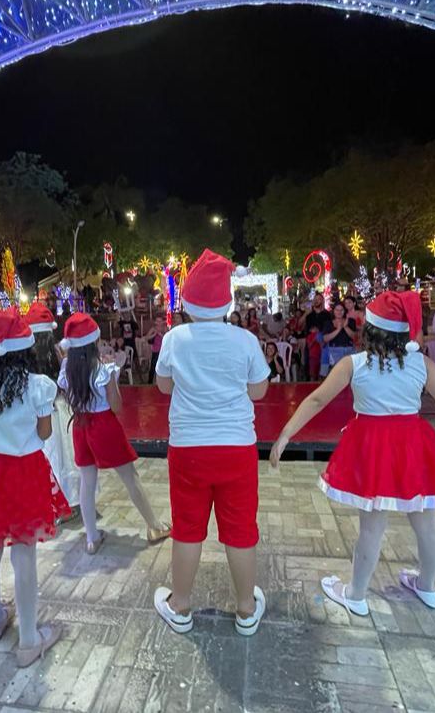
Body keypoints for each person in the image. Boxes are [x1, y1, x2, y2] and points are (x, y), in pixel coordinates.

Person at [270, 291, 435, 616]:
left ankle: (356, 594)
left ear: (369, 329)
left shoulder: (354, 364)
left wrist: (286, 434)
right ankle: (427, 587)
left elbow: (317, 400)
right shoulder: (421, 364)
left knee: (372, 528)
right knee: (426, 524)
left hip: (372, 448)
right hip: (414, 447)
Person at [153, 249, 270, 636]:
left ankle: (181, 606)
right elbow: (258, 391)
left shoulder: (174, 339)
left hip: (188, 448)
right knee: (240, 529)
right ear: (226, 302)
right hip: (236, 448)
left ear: (187, 302)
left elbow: (163, 386)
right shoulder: (245, 340)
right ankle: (246, 609)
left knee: (187, 528)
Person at [0, 309, 69, 667]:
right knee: (24, 553)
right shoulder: (38, 386)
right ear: (25, 347)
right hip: (24, 470)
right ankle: (29, 640)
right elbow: (44, 433)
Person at [58, 313, 170, 554]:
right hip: (104, 425)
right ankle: (154, 526)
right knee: (130, 476)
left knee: (87, 481)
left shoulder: (67, 368)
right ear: (94, 341)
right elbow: (116, 406)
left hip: (80, 424)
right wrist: (113, 376)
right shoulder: (103, 369)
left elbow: (69, 397)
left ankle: (91, 537)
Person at [25, 303, 81, 520]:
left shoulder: (24, 355)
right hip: (60, 410)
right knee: (66, 456)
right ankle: (68, 503)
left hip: (36, 415)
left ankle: (45, 504)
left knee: (47, 457)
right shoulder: (58, 352)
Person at [323, 302, 357, 368]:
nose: (339, 312)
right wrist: (338, 329)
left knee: (349, 371)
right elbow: (325, 339)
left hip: (349, 349)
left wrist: (345, 327)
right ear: (333, 311)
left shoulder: (351, 321)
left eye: (341, 310)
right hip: (334, 351)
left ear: (345, 311)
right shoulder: (328, 323)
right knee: (336, 371)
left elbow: (354, 337)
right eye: (337, 310)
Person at [144, 316, 167, 384]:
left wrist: (160, 334)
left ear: (162, 322)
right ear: (155, 322)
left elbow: (167, 338)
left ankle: (163, 382)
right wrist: (154, 334)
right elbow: (146, 338)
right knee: (153, 367)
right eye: (157, 321)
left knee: (163, 367)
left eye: (160, 321)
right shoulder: (153, 329)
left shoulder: (165, 328)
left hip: (163, 351)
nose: (159, 323)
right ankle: (150, 382)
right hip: (155, 350)